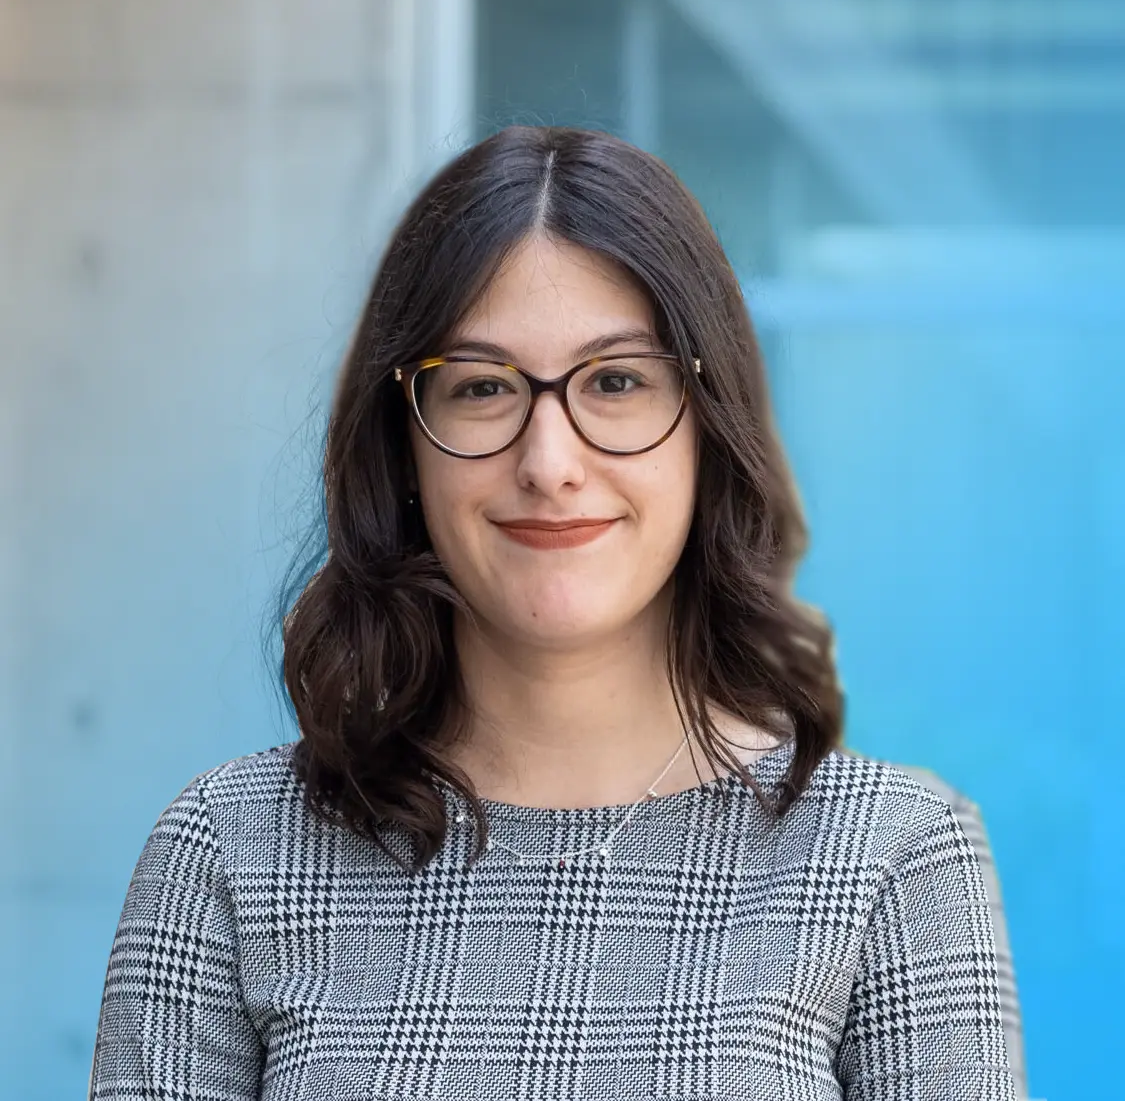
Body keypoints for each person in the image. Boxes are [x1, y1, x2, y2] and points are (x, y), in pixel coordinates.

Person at [89, 125, 1018, 1100]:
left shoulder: (892, 857)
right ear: (404, 445)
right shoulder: (231, 854)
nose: (548, 461)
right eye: (483, 388)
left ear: (708, 427)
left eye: (615, 382)